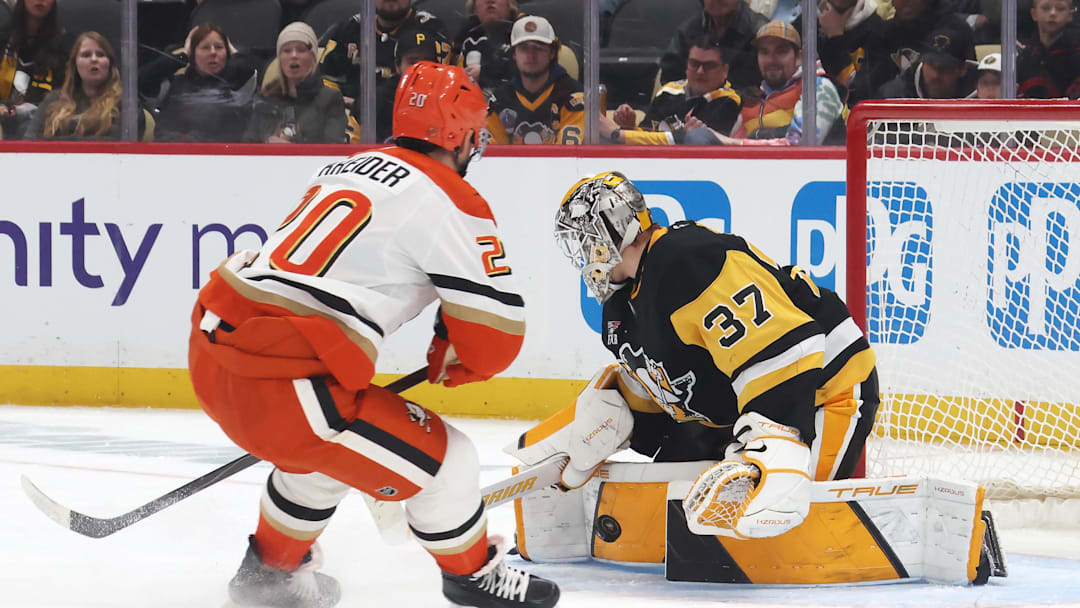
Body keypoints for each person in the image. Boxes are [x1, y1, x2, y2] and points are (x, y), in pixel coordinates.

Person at [188, 61, 560, 608]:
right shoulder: (453, 197)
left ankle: (268, 575)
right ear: (459, 134)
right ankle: (472, 576)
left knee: (321, 458)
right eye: (476, 133)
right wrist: (454, 353)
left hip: (214, 354)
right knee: (449, 461)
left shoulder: (347, 165)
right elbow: (493, 339)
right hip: (290, 387)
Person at [517, 170, 878, 543]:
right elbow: (677, 386)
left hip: (825, 389)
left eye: (585, 240)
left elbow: (785, 346)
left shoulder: (687, 260)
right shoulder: (622, 309)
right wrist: (611, 415)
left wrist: (777, 442)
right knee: (671, 526)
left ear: (612, 233)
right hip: (735, 412)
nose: (583, 255)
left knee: (775, 521)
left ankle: (783, 451)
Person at [817, 0, 974, 105]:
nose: (904, 1)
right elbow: (865, 92)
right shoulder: (884, 33)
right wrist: (835, 41)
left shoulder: (956, 29)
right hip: (899, 123)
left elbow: (971, 86)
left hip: (954, 118)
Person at [600, 35, 741, 145]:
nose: (699, 71)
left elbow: (688, 142)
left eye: (709, 65)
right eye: (694, 64)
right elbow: (649, 133)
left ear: (725, 71)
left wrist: (619, 135)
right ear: (686, 66)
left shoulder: (729, 101)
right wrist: (630, 126)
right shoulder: (668, 90)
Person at [723, 21, 844, 145]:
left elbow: (800, 147)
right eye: (764, 52)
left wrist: (739, 143)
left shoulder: (818, 88)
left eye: (781, 51)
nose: (771, 60)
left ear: (799, 57)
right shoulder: (751, 101)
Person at [139, 23, 258, 142]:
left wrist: (233, 51)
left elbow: (249, 67)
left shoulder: (237, 85)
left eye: (219, 47)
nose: (213, 52)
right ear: (193, 53)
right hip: (173, 153)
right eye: (205, 47)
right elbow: (140, 81)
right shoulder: (175, 84)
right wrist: (184, 55)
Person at [319, 0, 448, 103]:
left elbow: (438, 88)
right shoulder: (350, 28)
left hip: (408, 113)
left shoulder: (431, 31)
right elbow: (326, 78)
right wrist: (338, 102)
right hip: (351, 115)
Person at [26, 31, 146, 140]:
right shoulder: (53, 100)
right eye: (86, 55)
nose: (94, 59)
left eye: (100, 55)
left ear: (110, 64)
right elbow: (29, 142)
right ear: (74, 64)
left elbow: (122, 147)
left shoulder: (126, 102)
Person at [486, 15, 584, 145]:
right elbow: (490, 156)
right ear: (514, 54)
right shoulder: (500, 99)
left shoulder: (573, 96)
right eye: (523, 48)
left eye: (538, 48)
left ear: (552, 53)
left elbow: (569, 157)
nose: (530, 56)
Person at [245, 22, 346, 144]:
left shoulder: (330, 98)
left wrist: (292, 150)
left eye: (301, 50)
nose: (293, 56)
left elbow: (334, 151)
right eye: (286, 51)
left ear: (313, 57)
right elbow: (248, 143)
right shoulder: (266, 97)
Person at [351, 26, 451, 143]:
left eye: (427, 61)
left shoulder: (448, 101)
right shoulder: (372, 102)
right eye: (412, 62)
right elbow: (352, 149)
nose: (420, 68)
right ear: (397, 65)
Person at [658, 0, 769, 96]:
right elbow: (670, 81)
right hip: (691, 112)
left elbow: (770, 90)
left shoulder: (761, 34)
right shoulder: (688, 31)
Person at [0, 0, 72, 139]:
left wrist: (23, 111)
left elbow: (65, 95)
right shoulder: (3, 39)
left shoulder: (65, 45)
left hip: (43, 122)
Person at [876, 25, 978, 99]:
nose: (935, 75)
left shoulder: (982, 96)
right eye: (930, 65)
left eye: (944, 69)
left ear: (962, 69)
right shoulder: (893, 96)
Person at [452, 0, 524, 91]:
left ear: (510, 3)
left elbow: (533, 67)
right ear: (474, 6)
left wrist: (484, 72)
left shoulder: (524, 29)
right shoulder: (466, 34)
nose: (490, 1)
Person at [1018, 0, 1080, 98]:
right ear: (1034, 14)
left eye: (1060, 9)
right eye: (1045, 8)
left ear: (1070, 15)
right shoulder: (1025, 55)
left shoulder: (1076, 54)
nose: (1052, 13)